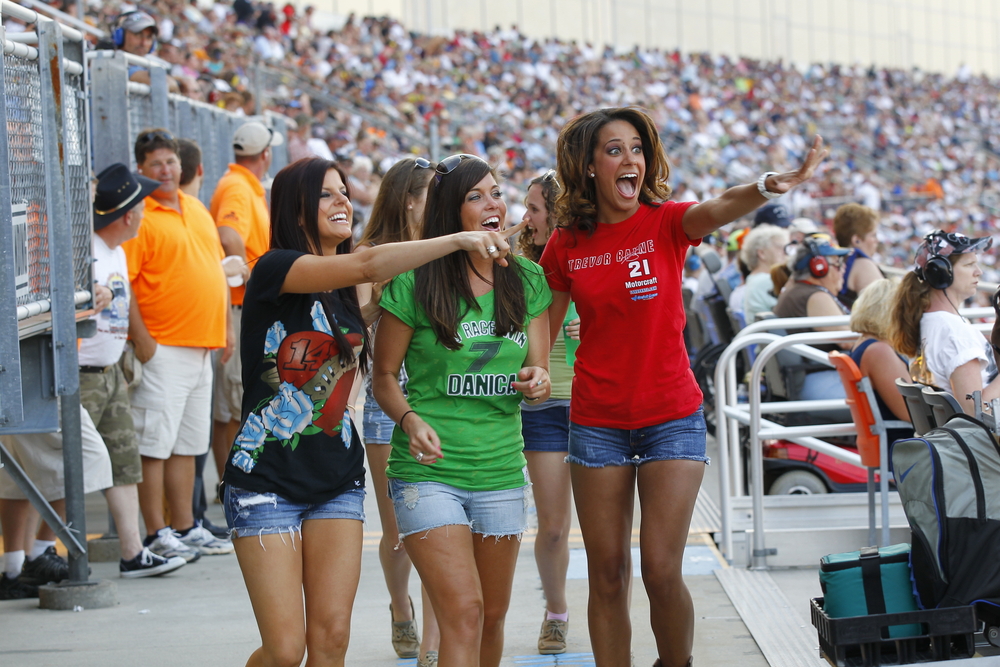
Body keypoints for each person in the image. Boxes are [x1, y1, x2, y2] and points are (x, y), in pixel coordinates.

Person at [539, 107, 826, 667]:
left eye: (637, 149)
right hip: (596, 423)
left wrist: (770, 185)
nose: (631, 161)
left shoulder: (668, 222)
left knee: (662, 569)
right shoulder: (567, 244)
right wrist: (530, 370)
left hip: (671, 416)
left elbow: (718, 208)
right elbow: (542, 330)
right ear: (590, 167)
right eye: (615, 150)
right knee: (607, 575)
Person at [223, 157, 519, 667]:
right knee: (286, 649)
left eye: (344, 191)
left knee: (333, 639)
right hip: (264, 479)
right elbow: (367, 264)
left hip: (336, 477)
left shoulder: (342, 291)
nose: (343, 201)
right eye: (327, 194)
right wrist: (456, 240)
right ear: (295, 207)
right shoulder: (274, 268)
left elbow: (384, 321)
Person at [372, 154, 550, 667]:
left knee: (492, 617)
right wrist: (409, 419)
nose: (493, 205)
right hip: (427, 474)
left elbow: (538, 374)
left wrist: (537, 382)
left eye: (496, 192)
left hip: (499, 471)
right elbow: (383, 377)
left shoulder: (529, 279)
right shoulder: (414, 281)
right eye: (476, 197)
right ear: (452, 214)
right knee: (464, 612)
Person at [124, 128, 234, 561]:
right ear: (142, 170)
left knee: (188, 443)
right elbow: (127, 284)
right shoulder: (141, 215)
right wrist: (143, 338)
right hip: (162, 345)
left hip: (201, 345)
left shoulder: (196, 208)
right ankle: (155, 532)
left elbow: (214, 271)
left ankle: (186, 526)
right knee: (154, 445)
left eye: (171, 161)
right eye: (157, 164)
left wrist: (224, 327)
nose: (167, 170)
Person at [355, 157, 442, 666]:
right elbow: (361, 321)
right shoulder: (368, 255)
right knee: (398, 535)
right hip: (384, 401)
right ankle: (398, 608)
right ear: (407, 198)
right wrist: (390, 300)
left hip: (435, 400)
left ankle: (432, 644)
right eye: (432, 192)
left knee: (437, 528)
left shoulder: (444, 250)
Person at [517, 169, 578, 655]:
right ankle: (555, 613)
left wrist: (596, 328)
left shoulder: (589, 258)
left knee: (604, 530)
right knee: (553, 526)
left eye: (534, 209)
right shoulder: (518, 268)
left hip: (594, 406)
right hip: (542, 406)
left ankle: (605, 604)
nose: (525, 217)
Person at [209, 122, 282, 496]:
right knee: (235, 404)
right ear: (265, 154)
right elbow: (227, 233)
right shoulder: (238, 186)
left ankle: (229, 479)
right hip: (238, 307)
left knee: (235, 402)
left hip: (240, 308)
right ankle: (229, 482)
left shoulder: (242, 183)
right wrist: (246, 276)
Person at [889, 231, 999, 415]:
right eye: (969, 264)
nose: (978, 271)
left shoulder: (927, 323)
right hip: (982, 441)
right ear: (940, 273)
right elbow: (975, 413)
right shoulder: (954, 333)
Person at [774, 237, 852, 400]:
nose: (843, 269)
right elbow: (849, 341)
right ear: (819, 268)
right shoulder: (815, 296)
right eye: (837, 264)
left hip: (811, 376)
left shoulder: (798, 289)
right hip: (819, 379)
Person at [848, 280, 913, 444]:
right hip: (902, 450)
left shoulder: (864, 344)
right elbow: (911, 412)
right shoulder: (879, 352)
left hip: (897, 446)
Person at [833, 203, 884, 309]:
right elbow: (881, 311)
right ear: (857, 240)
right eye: (873, 235)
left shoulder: (836, 259)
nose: (877, 240)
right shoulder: (863, 264)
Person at [740, 224, 790, 323]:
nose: (786, 252)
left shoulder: (754, 279)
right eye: (780, 247)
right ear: (761, 253)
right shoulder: (766, 281)